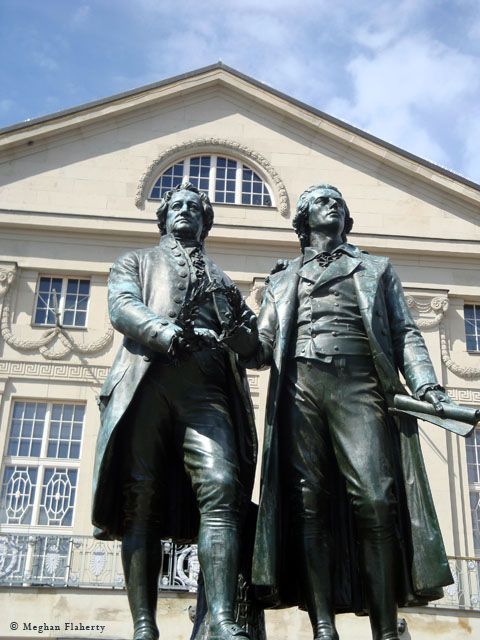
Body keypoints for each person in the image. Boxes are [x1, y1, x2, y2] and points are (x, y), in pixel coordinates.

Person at [249, 184, 453, 640]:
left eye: (339, 201)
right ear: (303, 220)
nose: (333, 205)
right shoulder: (282, 278)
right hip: (300, 385)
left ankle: (384, 627)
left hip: (359, 384)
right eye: (323, 200)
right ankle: (323, 625)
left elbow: (404, 332)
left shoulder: (376, 268)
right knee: (308, 504)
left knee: (376, 499)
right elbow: (260, 349)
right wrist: (235, 334)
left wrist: (425, 383)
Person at [92, 182, 258, 640]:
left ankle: (222, 620)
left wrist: (249, 340)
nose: (185, 211)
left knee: (223, 488)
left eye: (194, 207)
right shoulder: (136, 261)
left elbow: (254, 348)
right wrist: (165, 332)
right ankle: (144, 625)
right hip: (148, 380)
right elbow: (123, 306)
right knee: (140, 499)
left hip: (207, 391)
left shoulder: (225, 282)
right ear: (163, 219)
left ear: (206, 223)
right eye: (177, 206)